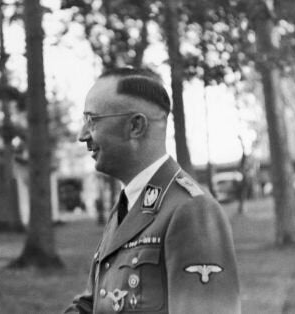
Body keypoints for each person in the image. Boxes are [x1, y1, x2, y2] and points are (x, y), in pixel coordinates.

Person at [65, 68, 240, 313]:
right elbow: (94, 303)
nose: (82, 135)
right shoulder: (128, 205)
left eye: (92, 120)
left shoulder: (191, 210)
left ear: (135, 126)